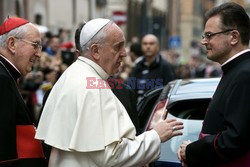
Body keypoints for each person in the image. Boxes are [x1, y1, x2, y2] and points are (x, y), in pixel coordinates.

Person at [35, 18, 184, 167]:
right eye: (117, 47)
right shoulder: (94, 87)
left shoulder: (71, 74)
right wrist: (155, 136)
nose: (124, 53)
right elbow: (111, 157)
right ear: (95, 51)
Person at [178, 2, 250, 167]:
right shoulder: (236, 71)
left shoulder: (245, 74)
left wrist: (190, 150)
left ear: (233, 37)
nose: (204, 42)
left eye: (209, 35)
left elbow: (234, 140)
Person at [0, 17, 45, 166]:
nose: (38, 54)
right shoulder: (2, 79)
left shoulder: (6, 75)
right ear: (12, 44)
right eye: (35, 45)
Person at [129, 34, 175, 102]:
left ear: (158, 47)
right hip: (138, 108)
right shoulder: (137, 66)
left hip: (156, 108)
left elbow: (171, 90)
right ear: (141, 46)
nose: (148, 46)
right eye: (145, 44)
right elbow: (131, 89)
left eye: (151, 43)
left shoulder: (165, 67)